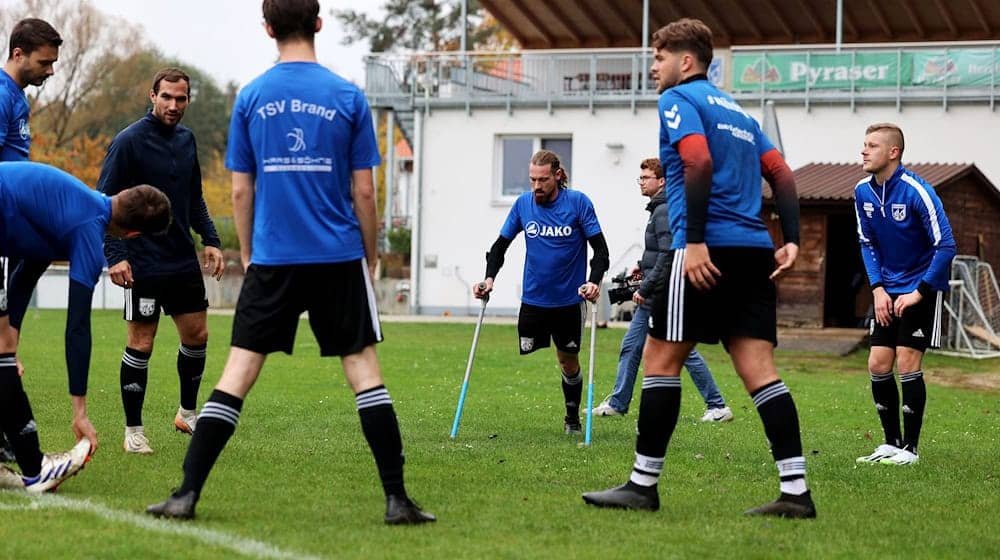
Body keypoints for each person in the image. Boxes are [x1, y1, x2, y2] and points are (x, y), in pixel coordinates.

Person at [146, 0, 434, 525]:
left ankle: (186, 494)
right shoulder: (347, 95)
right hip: (337, 256)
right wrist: (369, 257)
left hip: (274, 258)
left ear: (268, 29)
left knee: (238, 372)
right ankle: (396, 500)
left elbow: (240, 189)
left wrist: (252, 253)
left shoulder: (252, 96)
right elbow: (364, 191)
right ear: (318, 24)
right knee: (364, 371)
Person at [582, 18, 815, 518]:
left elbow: (698, 163)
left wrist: (696, 241)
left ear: (685, 61)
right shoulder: (737, 110)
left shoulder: (679, 101)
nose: (653, 67)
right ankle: (796, 492)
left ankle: (642, 486)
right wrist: (791, 238)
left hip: (705, 251)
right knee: (759, 369)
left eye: (659, 58)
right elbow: (781, 173)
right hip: (753, 248)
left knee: (661, 361)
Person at [0, 161, 171, 491]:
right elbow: (77, 328)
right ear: (134, 234)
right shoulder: (88, 234)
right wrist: (80, 411)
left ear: (119, 194)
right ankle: (35, 469)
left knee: (4, 348)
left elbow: (23, 279)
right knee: (2, 351)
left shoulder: (73, 204)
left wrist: (13, 338)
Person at [99, 67, 225, 455]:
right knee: (142, 342)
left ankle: (187, 413)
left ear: (188, 100)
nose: (173, 105)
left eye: (181, 98)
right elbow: (103, 202)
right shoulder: (128, 142)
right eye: (166, 97)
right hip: (142, 262)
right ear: (152, 96)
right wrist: (116, 255)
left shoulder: (187, 140)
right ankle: (133, 430)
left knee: (198, 336)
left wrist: (212, 240)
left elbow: (195, 196)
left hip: (181, 259)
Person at [473, 149, 610, 435]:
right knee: (526, 350)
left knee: (567, 360)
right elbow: (500, 246)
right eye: (532, 180)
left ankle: (572, 418)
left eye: (543, 180)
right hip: (534, 299)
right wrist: (489, 279)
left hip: (569, 300)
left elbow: (600, 250)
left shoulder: (578, 203)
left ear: (557, 176)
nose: (536, 186)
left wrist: (595, 280)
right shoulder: (523, 205)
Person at [588, 158, 732, 422]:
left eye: (645, 177)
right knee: (631, 347)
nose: (641, 182)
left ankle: (718, 405)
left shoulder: (664, 209)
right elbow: (659, 252)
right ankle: (619, 403)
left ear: (662, 181)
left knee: (682, 351)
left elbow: (668, 254)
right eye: (640, 178)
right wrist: (641, 266)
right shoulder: (659, 209)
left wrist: (646, 287)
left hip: (663, 294)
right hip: (658, 292)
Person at [853, 123, 955, 466]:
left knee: (908, 360)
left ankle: (910, 449)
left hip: (920, 289)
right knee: (878, 363)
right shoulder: (862, 193)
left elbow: (946, 246)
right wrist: (878, 289)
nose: (864, 151)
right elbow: (867, 244)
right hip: (887, 290)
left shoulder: (917, 191)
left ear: (893, 152)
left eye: (872, 145)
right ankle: (890, 444)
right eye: (864, 144)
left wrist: (920, 292)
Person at [0, 17, 62, 463]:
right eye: (46, 62)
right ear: (18, 54)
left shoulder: (17, 98)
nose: (51, 71)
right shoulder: (1, 96)